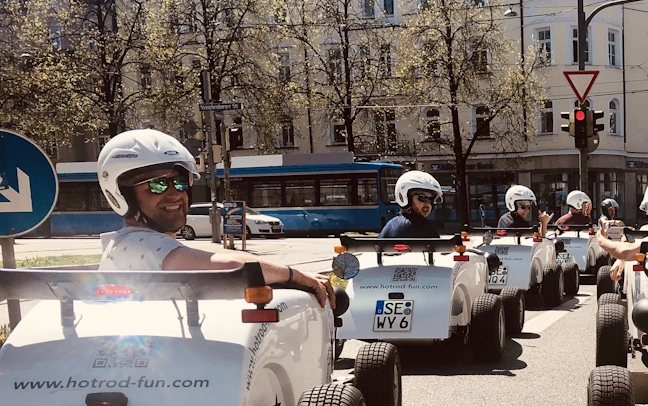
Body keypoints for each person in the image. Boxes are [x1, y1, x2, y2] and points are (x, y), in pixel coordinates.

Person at [96, 129, 334, 307]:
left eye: (180, 182)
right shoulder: (141, 245)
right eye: (157, 185)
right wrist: (295, 275)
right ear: (122, 193)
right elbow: (233, 267)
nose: (175, 194)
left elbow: (211, 257)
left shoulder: (128, 244)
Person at [379, 171, 442, 239]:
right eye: (422, 197)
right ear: (407, 198)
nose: (428, 204)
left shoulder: (390, 225)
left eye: (431, 199)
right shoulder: (426, 228)